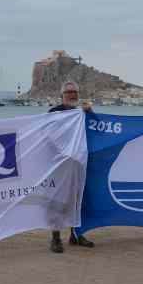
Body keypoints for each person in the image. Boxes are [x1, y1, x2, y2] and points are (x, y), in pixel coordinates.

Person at [48, 80, 95, 253]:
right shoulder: (54, 113)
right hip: (59, 164)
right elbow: (48, 136)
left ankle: (76, 234)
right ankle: (55, 238)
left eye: (74, 92)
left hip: (79, 163)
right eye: (68, 92)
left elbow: (95, 129)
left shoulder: (81, 112)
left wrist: (90, 112)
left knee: (78, 200)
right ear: (62, 95)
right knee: (58, 201)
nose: (72, 95)